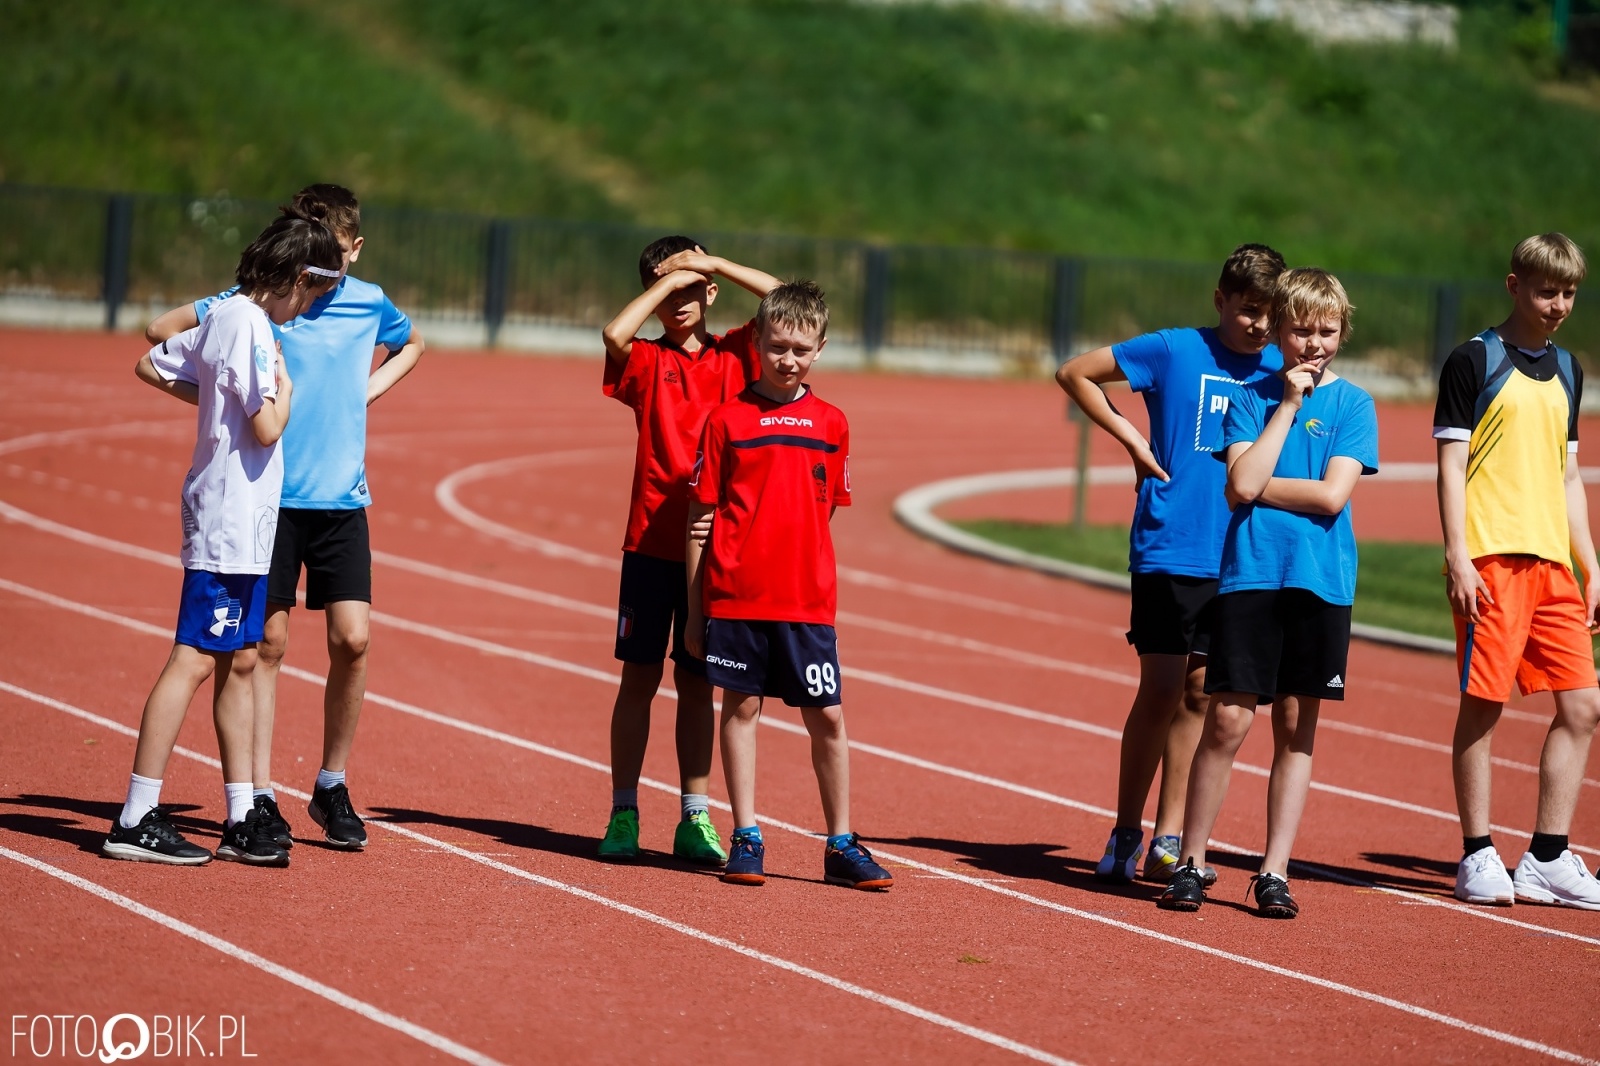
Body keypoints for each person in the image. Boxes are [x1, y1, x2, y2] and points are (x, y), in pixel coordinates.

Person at [147, 184, 425, 851]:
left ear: (354, 248)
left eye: (338, 249)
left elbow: (413, 343)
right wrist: (221, 401)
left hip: (341, 499)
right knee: (263, 648)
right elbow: (160, 334)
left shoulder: (367, 301)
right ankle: (260, 794)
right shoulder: (264, 301)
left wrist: (364, 394)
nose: (327, 262)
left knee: (353, 640)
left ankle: (332, 783)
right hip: (269, 500)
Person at [103, 214, 341, 866]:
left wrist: (218, 399)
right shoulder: (249, 324)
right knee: (194, 657)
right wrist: (285, 392)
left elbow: (154, 364)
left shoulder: (230, 317)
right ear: (297, 278)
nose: (307, 310)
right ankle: (135, 815)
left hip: (245, 521)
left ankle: (240, 815)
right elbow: (267, 426)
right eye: (312, 296)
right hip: (228, 520)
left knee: (239, 658)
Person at [1057, 244, 1286, 883]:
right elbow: (1075, 373)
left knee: (1200, 694)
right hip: (1171, 542)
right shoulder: (1175, 349)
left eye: (1271, 314)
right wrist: (1134, 440)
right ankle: (1125, 831)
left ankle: (1169, 837)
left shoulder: (1282, 369)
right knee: (1160, 687)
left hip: (1240, 553)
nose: (1260, 326)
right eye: (1248, 310)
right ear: (1220, 300)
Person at [1158, 268, 1378, 918]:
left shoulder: (1354, 405)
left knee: (1295, 726)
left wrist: (1258, 486)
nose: (1314, 344)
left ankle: (1274, 870)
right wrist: (1285, 407)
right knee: (1227, 720)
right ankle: (1191, 861)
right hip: (1251, 575)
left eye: (1327, 331)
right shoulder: (1248, 399)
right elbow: (1238, 484)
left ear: (1343, 333)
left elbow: (1330, 495)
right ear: (1279, 330)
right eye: (1301, 330)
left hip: (1320, 583)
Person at [684, 279, 892, 891]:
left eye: (801, 349)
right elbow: (700, 516)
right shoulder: (726, 420)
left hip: (806, 601)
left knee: (827, 717)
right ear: (757, 342)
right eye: (777, 347)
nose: (788, 360)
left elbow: (824, 510)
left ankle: (841, 843)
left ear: (820, 348)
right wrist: (695, 611)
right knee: (740, 708)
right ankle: (746, 835)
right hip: (736, 596)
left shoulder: (832, 423)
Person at [596, 237, 781, 864]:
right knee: (639, 679)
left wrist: (711, 265)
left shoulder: (738, 353)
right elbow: (613, 334)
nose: (679, 300)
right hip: (651, 542)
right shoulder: (647, 359)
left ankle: (694, 817)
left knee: (698, 681)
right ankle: (624, 811)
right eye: (665, 290)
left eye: (691, 289)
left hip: (717, 547)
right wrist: (667, 282)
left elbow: (784, 300)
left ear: (711, 292)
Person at [1435, 233, 1600, 909]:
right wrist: (1458, 554)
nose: (1558, 304)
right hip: (1491, 558)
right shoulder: (1473, 360)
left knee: (1584, 707)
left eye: (1568, 293)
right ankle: (1477, 852)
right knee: (1484, 706)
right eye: (1545, 291)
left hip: (1553, 565)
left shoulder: (1569, 369)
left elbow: (1568, 476)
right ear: (1514, 286)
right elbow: (1451, 466)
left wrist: (1591, 565)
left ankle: (1548, 857)